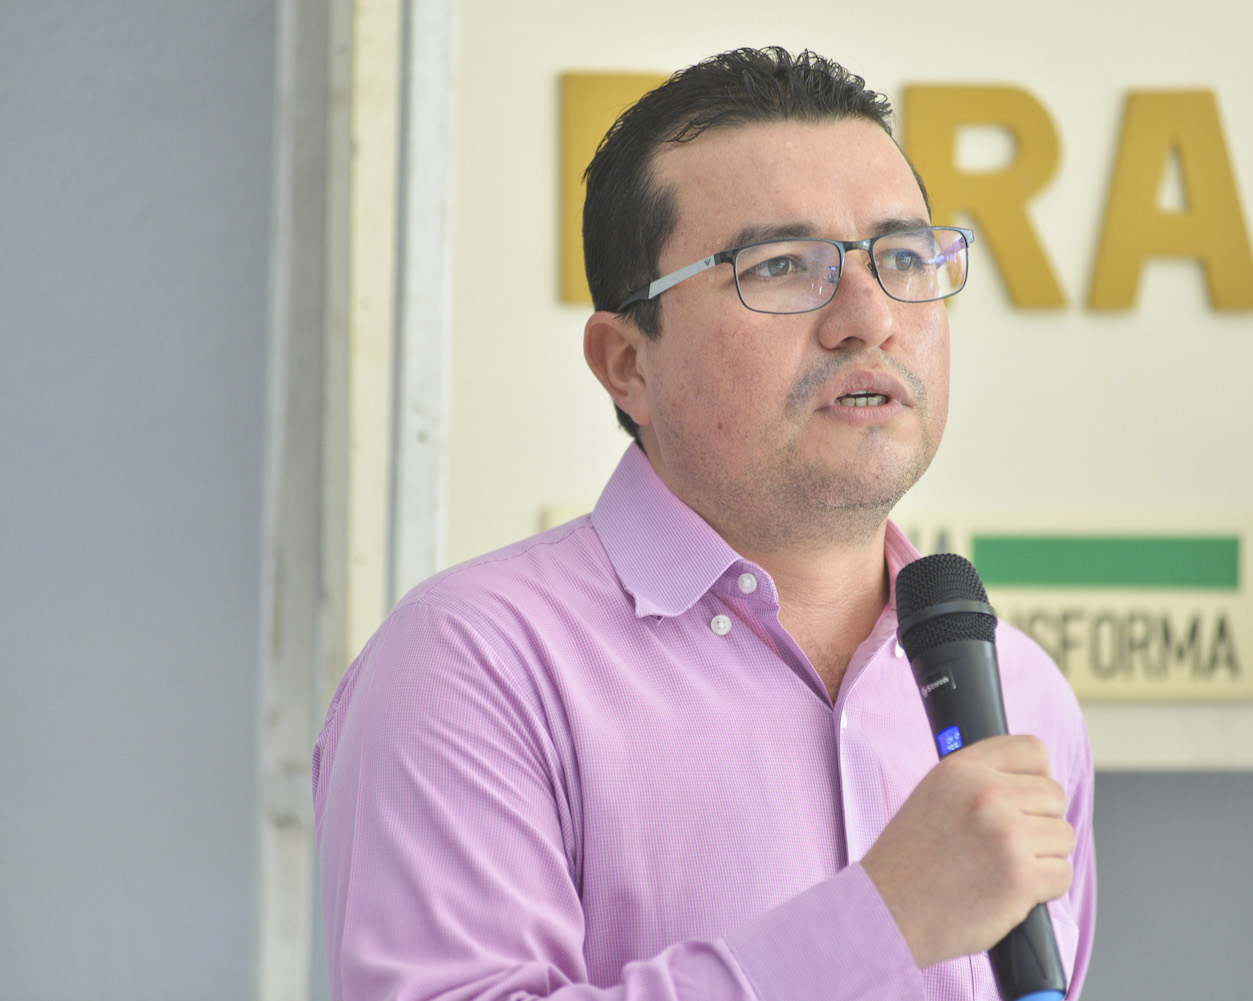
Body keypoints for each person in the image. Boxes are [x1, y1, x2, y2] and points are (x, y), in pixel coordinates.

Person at [313, 46, 1096, 1001]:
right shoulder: (473, 664)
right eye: (782, 266)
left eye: (902, 257)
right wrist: (880, 922)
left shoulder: (1020, 692)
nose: (869, 318)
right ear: (627, 363)